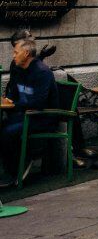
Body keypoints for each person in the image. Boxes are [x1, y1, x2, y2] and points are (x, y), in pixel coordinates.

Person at [1, 37, 58, 184]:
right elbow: (13, 92)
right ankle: (11, 167)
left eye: (16, 52)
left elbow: (38, 102)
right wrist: (8, 100)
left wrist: (14, 105)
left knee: (7, 133)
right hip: (24, 115)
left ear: (26, 53)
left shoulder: (41, 72)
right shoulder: (19, 69)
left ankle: (17, 171)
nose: (13, 55)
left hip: (42, 118)